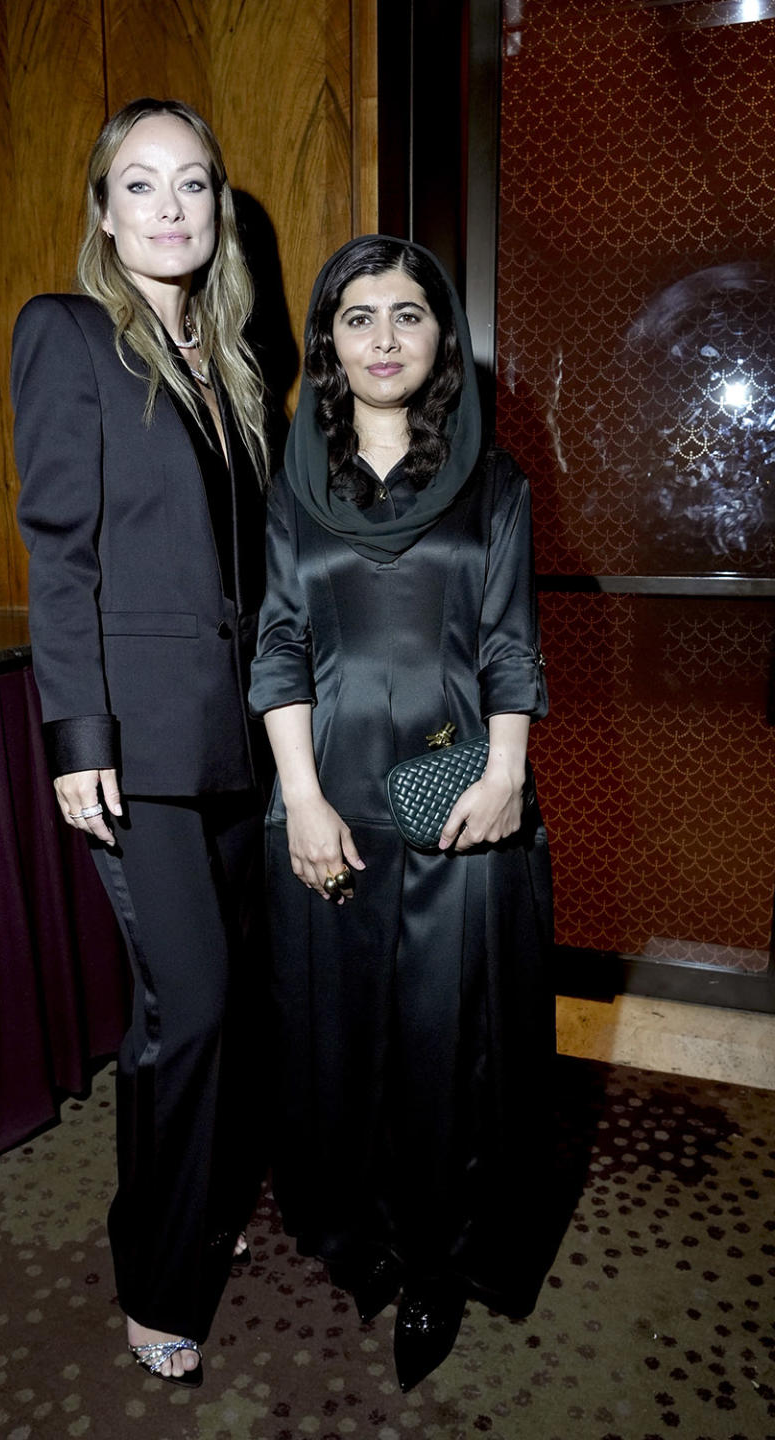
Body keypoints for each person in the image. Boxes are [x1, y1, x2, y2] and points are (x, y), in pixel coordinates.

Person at [249, 235, 556, 1392]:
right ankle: (357, 1233)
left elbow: (514, 644)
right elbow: (279, 640)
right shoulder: (296, 482)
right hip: (330, 796)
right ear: (328, 341)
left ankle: (437, 1260)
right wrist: (300, 801)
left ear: (444, 338)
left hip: (460, 795)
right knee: (337, 1032)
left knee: (449, 1045)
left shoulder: (498, 482)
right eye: (358, 316)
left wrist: (508, 779)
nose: (384, 338)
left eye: (409, 315)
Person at [11, 98, 269, 1387]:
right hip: (134, 745)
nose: (172, 207)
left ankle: (196, 1204)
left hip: (233, 746)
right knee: (193, 1003)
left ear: (218, 209)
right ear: (103, 212)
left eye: (195, 185)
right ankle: (155, 1274)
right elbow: (61, 556)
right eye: (142, 185)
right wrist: (76, 735)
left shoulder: (230, 363)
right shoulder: (66, 335)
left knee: (220, 1011)